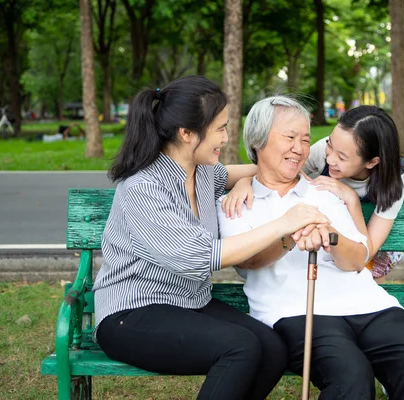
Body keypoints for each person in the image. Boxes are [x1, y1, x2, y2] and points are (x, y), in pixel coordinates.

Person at [92, 76, 331, 400]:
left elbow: (249, 171)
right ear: (187, 133)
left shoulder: (202, 170)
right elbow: (201, 257)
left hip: (189, 303)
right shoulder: (143, 188)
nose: (225, 136)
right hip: (132, 313)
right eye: (219, 128)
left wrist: (251, 182)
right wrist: (283, 224)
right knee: (241, 347)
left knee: (273, 348)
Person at [218, 96, 404, 400]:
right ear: (258, 141)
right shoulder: (235, 203)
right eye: (290, 137)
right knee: (352, 380)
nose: (299, 148)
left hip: (369, 305)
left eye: (306, 139)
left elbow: (358, 259)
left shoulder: (327, 191)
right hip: (296, 311)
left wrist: (331, 235)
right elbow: (246, 263)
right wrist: (289, 235)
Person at [223, 105, 404, 284]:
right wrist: (245, 181)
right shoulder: (326, 149)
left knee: (367, 275)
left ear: (371, 162)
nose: (330, 159)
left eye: (342, 158)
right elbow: (275, 171)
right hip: (336, 234)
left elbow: (367, 253)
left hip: (375, 236)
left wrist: (351, 199)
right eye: (330, 145)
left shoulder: (394, 181)